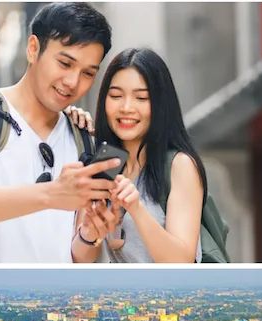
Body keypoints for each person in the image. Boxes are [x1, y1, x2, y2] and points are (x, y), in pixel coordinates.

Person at [0, 2, 121, 263]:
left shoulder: (82, 139)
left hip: (56, 303)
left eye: (88, 73)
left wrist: (89, 235)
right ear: (33, 49)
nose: (73, 82)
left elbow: (78, 257)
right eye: (65, 63)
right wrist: (51, 194)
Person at [68, 47, 208, 263]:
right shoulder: (102, 163)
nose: (126, 107)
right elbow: (80, 260)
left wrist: (136, 209)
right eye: (115, 95)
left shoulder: (179, 166)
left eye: (141, 98)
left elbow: (182, 263)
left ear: (160, 104)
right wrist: (89, 233)